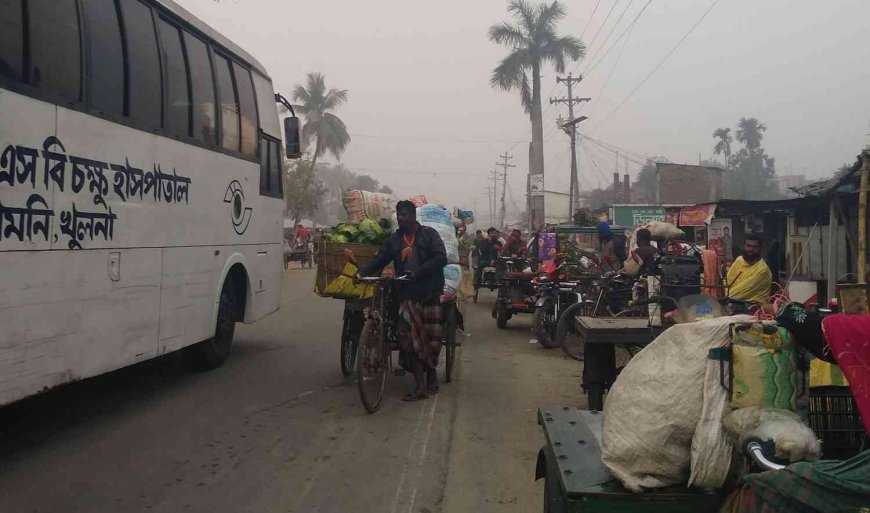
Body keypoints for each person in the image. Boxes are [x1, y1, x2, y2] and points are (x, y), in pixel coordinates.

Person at [359, 200, 448, 401]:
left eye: (404, 215)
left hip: (430, 292)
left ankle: (431, 374)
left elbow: (440, 258)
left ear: (414, 216)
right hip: (407, 294)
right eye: (398, 215)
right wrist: (363, 271)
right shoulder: (395, 240)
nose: (400, 218)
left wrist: (418, 272)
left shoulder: (429, 234)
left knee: (432, 340)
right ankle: (420, 386)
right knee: (411, 340)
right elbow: (380, 259)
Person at [726, 234, 772, 305]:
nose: (751, 249)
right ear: (744, 246)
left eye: (755, 247)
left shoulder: (762, 270)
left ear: (760, 249)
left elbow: (736, 294)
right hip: (732, 303)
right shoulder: (739, 260)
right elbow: (727, 282)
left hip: (753, 308)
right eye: (748, 246)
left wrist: (721, 295)